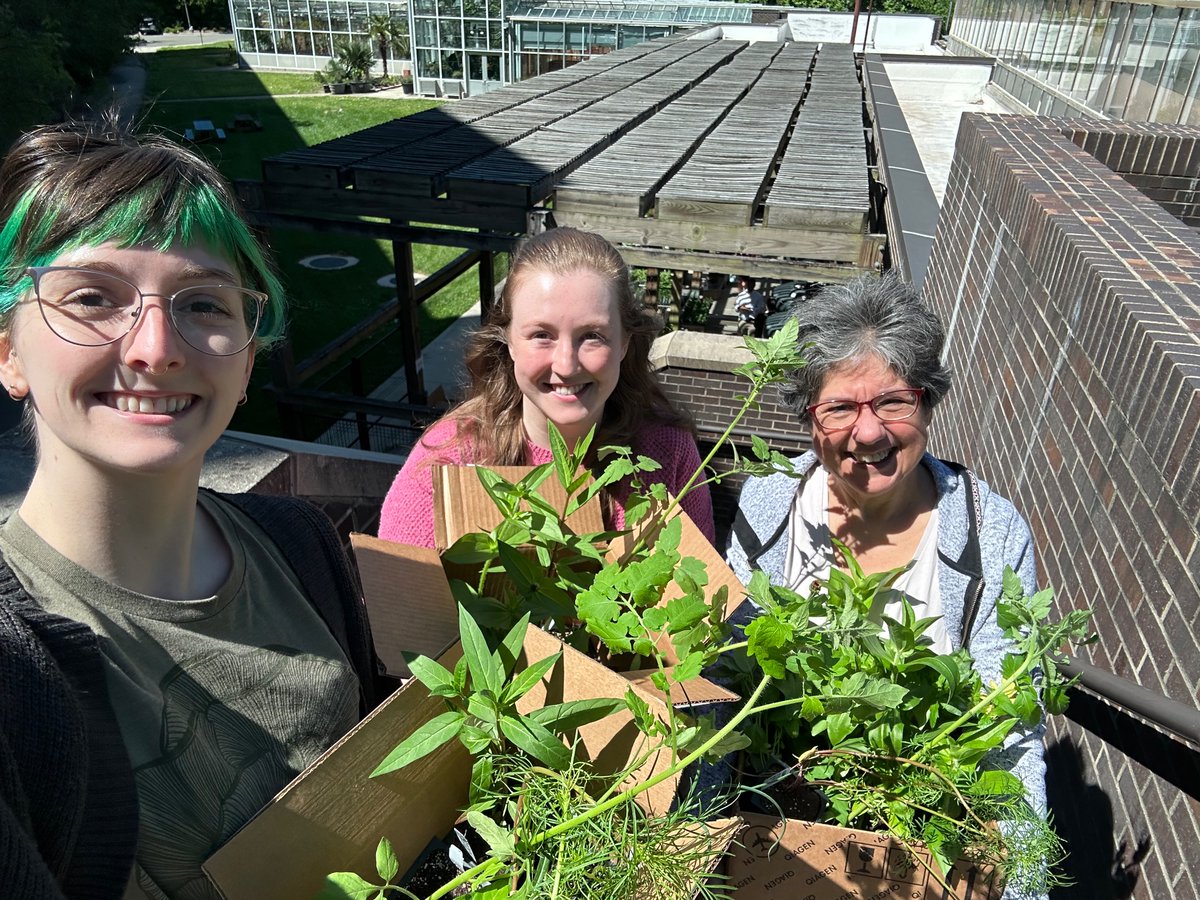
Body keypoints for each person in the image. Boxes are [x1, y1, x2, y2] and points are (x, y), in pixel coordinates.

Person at [0, 119, 383, 900]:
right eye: (91, 297)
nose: (154, 347)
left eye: (203, 303)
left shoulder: (301, 544)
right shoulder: (13, 677)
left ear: (246, 358)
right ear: (9, 350)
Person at [726, 273, 1046, 831]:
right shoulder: (769, 503)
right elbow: (724, 683)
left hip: (917, 848)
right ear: (808, 418)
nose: (870, 433)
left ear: (928, 402)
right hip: (771, 832)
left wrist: (1021, 885)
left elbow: (1012, 737)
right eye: (840, 408)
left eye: (895, 401)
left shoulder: (990, 534)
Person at [379, 227, 715, 548]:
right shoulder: (444, 464)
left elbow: (700, 602)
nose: (566, 365)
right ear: (508, 340)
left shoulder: (668, 454)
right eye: (542, 335)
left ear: (625, 342)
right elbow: (400, 602)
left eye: (592, 336)